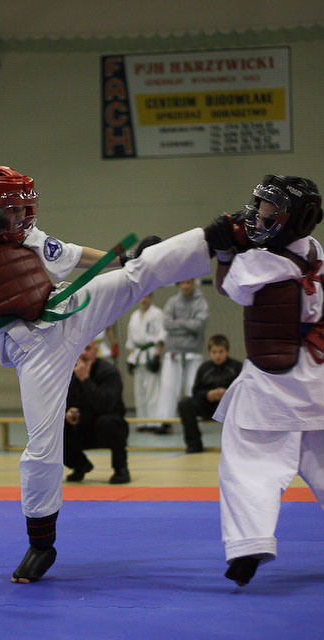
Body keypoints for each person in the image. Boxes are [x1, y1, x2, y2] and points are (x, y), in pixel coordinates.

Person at [0, 164, 240, 583]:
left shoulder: (29, 236)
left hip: (67, 308)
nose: (21, 216)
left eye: (24, 207)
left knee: (134, 274)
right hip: (34, 350)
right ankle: (41, 544)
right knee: (42, 446)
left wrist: (122, 257)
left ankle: (218, 236)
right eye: (11, 209)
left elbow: (71, 253)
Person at [213, 174, 324, 587]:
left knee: (248, 464)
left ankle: (249, 544)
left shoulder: (259, 265)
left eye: (269, 212)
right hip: (317, 383)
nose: (259, 218)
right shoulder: (315, 251)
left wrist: (225, 250)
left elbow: (228, 287)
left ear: (295, 219)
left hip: (271, 391)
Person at [64, 340, 129, 484]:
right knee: (56, 427)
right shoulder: (69, 372)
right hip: (81, 426)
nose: (83, 353)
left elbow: (105, 405)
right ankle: (79, 465)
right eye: (80, 349)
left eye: (87, 349)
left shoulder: (109, 372)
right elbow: (63, 401)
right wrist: (69, 411)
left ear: (96, 350)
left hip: (106, 427)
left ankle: (121, 468)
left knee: (108, 422)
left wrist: (85, 380)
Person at [155, 279, 209, 434]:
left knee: (193, 387)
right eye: (183, 283)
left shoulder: (201, 303)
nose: (186, 286)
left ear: (193, 283)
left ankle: (195, 422)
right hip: (173, 351)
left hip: (194, 351)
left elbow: (199, 325)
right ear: (179, 284)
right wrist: (188, 325)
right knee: (168, 387)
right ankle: (165, 423)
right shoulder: (172, 302)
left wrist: (178, 322)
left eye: (189, 283)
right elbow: (166, 324)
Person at [177, 334, 243, 453]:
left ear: (227, 351)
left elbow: (244, 390)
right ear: (210, 352)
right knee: (185, 404)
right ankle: (194, 445)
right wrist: (207, 395)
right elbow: (196, 391)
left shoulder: (237, 367)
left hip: (230, 407)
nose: (217, 355)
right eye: (214, 352)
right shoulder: (204, 368)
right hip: (209, 406)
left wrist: (227, 394)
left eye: (221, 352)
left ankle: (240, 445)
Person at [126, 293, 165, 431]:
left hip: (151, 354)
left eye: (147, 296)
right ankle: (142, 422)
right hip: (138, 356)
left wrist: (157, 356)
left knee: (153, 391)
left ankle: (154, 423)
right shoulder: (134, 316)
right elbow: (130, 340)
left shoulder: (157, 313)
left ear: (151, 297)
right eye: (142, 296)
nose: (144, 299)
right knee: (139, 391)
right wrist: (131, 360)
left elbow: (161, 336)